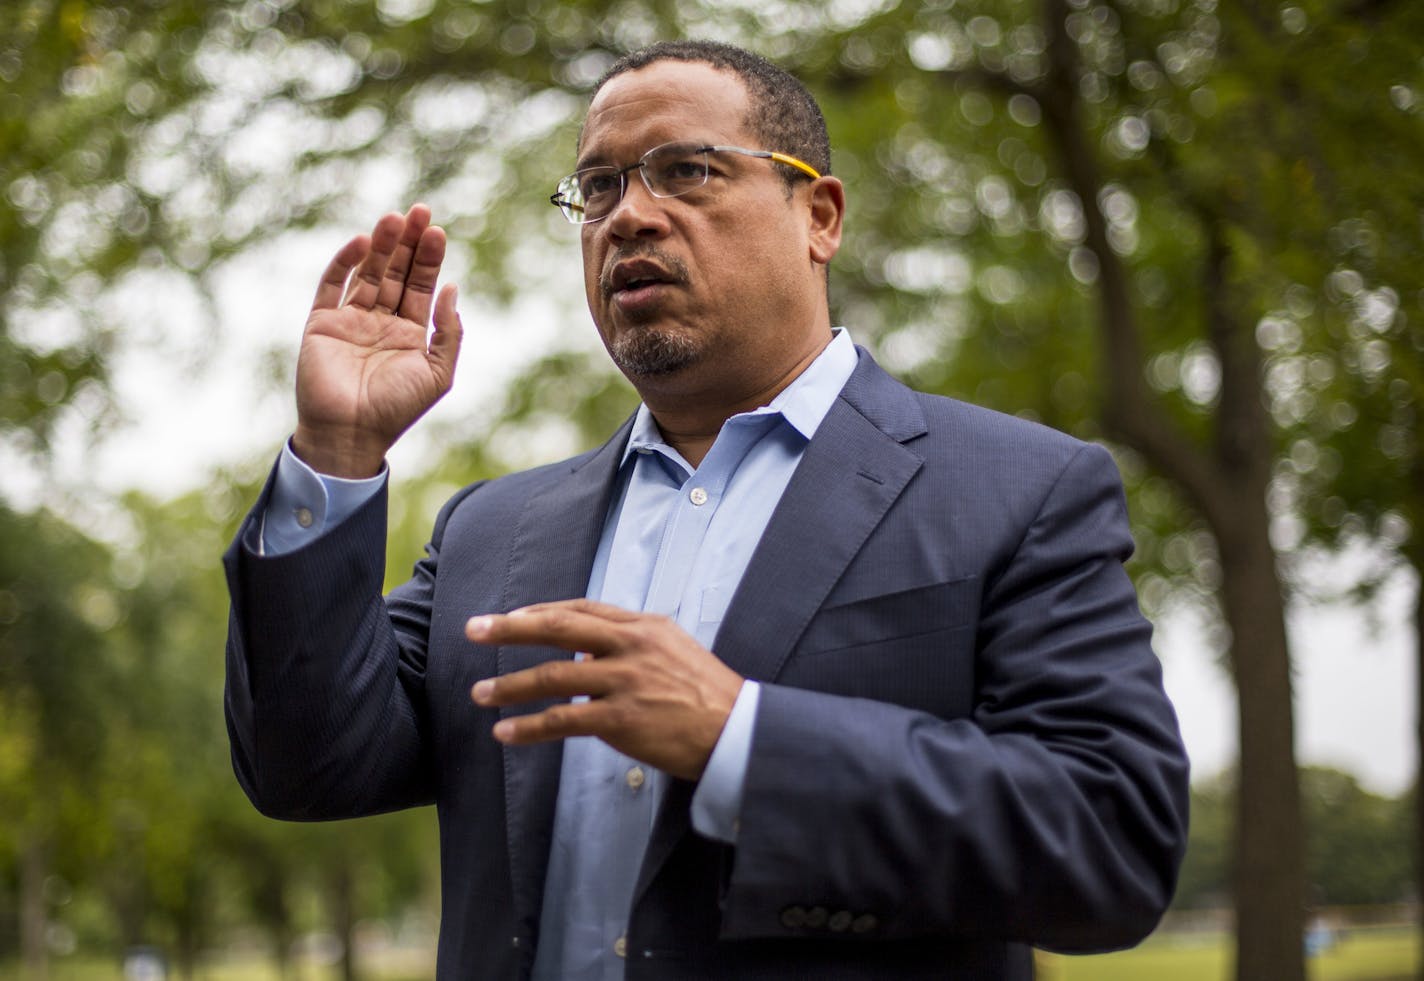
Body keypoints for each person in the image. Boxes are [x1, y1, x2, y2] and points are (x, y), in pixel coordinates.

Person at [224, 39, 1189, 981]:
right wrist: (338, 453)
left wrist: (743, 738)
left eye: (686, 171)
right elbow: (310, 769)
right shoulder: (491, 530)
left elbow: (1110, 845)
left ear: (820, 216)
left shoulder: (1018, 490)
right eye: (597, 188)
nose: (629, 216)